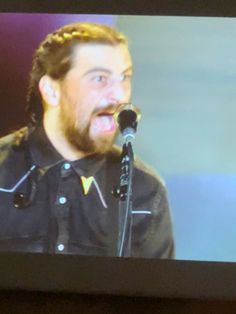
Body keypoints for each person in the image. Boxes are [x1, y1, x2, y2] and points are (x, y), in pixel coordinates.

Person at [0, 22, 174, 258]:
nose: (120, 95)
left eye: (125, 77)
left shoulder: (145, 190)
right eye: (100, 78)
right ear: (51, 90)